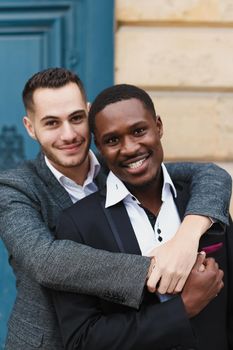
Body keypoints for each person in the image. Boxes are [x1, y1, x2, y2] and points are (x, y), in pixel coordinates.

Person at [0, 69, 231, 350]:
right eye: (51, 123)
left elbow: (209, 174)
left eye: (76, 118)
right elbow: (46, 262)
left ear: (88, 113)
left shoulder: (119, 161)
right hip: (49, 343)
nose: (69, 134)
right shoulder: (14, 188)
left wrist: (187, 237)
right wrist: (162, 267)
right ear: (30, 127)